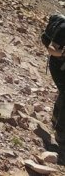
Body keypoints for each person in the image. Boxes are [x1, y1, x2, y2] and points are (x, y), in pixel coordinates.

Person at [41, 13, 65, 164]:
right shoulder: (64, 29)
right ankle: (60, 133)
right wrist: (63, 53)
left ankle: (56, 118)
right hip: (57, 65)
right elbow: (51, 49)